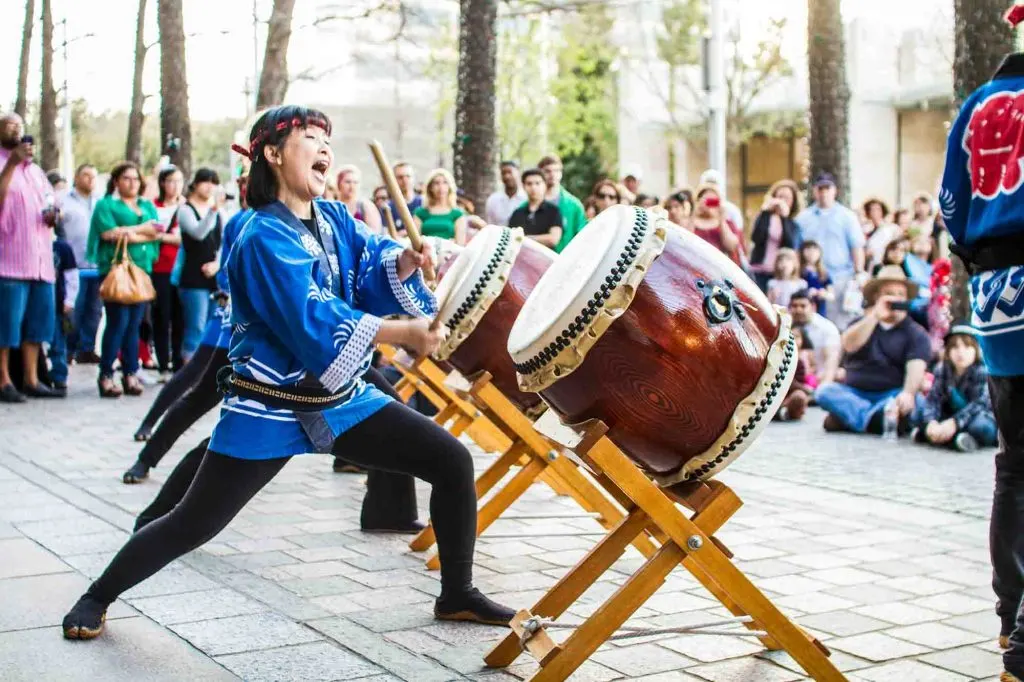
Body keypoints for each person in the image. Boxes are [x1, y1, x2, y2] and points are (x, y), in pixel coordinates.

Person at [61, 105, 514, 642]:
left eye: (328, 139)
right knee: (194, 523)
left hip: (340, 397)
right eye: (310, 137)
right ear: (272, 154)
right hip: (269, 404)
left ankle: (457, 593)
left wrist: (408, 263)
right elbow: (312, 317)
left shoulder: (335, 218)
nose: (325, 147)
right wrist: (403, 332)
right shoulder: (259, 236)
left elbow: (371, 260)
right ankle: (97, 595)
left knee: (451, 460)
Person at [937, 7, 1024, 673]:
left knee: (1013, 464)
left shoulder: (979, 103)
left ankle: (1008, 621)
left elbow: (950, 204)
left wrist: (980, 260)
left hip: (998, 295)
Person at [814, 266, 931, 435]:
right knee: (825, 392)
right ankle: (874, 420)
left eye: (900, 294)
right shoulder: (861, 323)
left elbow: (916, 368)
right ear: (877, 296)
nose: (895, 298)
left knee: (917, 402)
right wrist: (875, 315)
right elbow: (848, 345)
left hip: (890, 395)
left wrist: (907, 393)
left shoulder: (916, 333)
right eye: (889, 293)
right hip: (855, 393)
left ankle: (852, 419)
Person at [0, 112, 62, 402]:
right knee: (6, 327)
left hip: (41, 263)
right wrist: (11, 164)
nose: (16, 130)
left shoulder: (36, 172)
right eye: (10, 125)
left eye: (20, 126)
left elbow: (51, 200)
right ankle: (3, 381)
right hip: (9, 261)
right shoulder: (5, 164)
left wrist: (54, 214)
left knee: (38, 325)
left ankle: (31, 378)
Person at [87, 161, 160, 398]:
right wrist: (141, 230)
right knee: (117, 322)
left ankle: (131, 372)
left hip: (141, 270)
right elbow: (108, 234)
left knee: (134, 325)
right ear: (116, 181)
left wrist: (127, 231)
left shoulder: (146, 205)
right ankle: (106, 374)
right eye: (126, 178)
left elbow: (156, 231)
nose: (132, 183)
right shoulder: (105, 205)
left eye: (136, 178)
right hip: (116, 270)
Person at [795, 172, 867, 329]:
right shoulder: (802, 218)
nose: (823, 192)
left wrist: (859, 272)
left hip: (840, 279)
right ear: (814, 191)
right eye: (820, 188)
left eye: (827, 188)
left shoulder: (847, 216)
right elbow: (797, 250)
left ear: (835, 190)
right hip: (811, 280)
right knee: (812, 326)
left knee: (841, 325)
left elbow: (857, 247)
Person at [914, 323, 997, 452]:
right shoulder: (942, 369)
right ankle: (943, 436)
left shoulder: (982, 370)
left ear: (976, 349)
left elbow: (979, 404)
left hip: (975, 417)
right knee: (918, 413)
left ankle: (955, 438)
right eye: (955, 347)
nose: (960, 352)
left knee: (982, 427)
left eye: (967, 346)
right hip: (949, 416)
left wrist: (955, 423)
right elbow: (933, 399)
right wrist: (931, 422)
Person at [175, 168, 224, 362]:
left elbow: (223, 242)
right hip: (192, 278)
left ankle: (203, 372)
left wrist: (218, 264)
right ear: (195, 183)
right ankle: (188, 373)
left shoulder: (220, 213)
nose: (209, 186)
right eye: (205, 181)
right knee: (195, 326)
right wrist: (213, 211)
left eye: (213, 182)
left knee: (211, 328)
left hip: (214, 278)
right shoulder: (185, 210)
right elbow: (198, 233)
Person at [61, 164, 101, 365]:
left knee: (94, 311)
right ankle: (68, 348)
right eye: (86, 175)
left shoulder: (100, 203)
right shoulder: (64, 201)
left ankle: (88, 349)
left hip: (96, 266)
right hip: (73, 266)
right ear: (76, 177)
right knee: (73, 311)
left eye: (93, 176)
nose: (90, 180)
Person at [151, 166, 185, 381]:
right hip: (159, 268)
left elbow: (185, 238)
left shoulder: (186, 207)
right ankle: (163, 363)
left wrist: (161, 236)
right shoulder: (152, 206)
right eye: (170, 181)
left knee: (180, 317)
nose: (175, 186)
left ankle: (179, 365)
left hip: (181, 268)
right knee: (161, 316)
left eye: (178, 181)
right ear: (163, 183)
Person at [749, 179, 802, 292]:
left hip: (779, 274)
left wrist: (784, 218)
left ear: (793, 202)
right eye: (779, 196)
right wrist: (765, 211)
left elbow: (790, 245)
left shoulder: (793, 224)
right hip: (758, 271)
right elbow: (756, 238)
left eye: (787, 198)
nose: (782, 201)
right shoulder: (764, 217)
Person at [788, 290, 842, 387]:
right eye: (794, 306)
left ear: (813, 307)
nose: (798, 310)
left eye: (803, 306)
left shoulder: (827, 328)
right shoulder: (785, 326)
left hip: (819, 380)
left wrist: (823, 387)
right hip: (790, 381)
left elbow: (831, 360)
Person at [48, 222, 78, 395]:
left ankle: (59, 376)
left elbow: (72, 277)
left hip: (58, 303)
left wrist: (69, 301)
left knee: (58, 342)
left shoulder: (62, 247)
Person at [538, 154, 586, 252]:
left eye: (556, 170)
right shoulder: (528, 205)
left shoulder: (574, 205)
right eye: (547, 171)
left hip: (565, 260)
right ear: (540, 173)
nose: (552, 174)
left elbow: (582, 237)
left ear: (561, 173)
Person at [507, 168, 563, 249]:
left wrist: (524, 238)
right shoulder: (517, 213)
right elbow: (511, 239)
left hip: (546, 260)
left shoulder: (554, 211)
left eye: (537, 183)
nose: (533, 187)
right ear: (523, 186)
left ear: (545, 185)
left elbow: (553, 239)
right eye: (529, 184)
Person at [691, 184, 745, 267]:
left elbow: (731, 246)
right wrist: (695, 212)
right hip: (696, 265)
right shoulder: (691, 221)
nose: (708, 205)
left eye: (713, 202)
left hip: (720, 268)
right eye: (706, 201)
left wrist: (721, 219)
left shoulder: (727, 223)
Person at [412, 168, 467, 244]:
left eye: (445, 183)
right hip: (426, 253)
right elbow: (415, 242)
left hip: (449, 253)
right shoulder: (420, 213)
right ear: (430, 188)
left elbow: (460, 244)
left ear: (449, 187)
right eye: (436, 183)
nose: (441, 187)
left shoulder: (457, 214)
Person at [774, 324, 811, 421]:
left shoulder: (799, 363)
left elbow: (796, 385)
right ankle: (779, 412)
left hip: (788, 398)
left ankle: (784, 412)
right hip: (774, 397)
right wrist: (809, 391)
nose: (793, 340)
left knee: (799, 396)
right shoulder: (776, 358)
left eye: (797, 336)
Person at [336, 165, 382, 234]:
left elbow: (375, 234)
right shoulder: (333, 206)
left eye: (355, 182)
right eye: (348, 182)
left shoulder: (365, 206)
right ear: (339, 184)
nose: (352, 186)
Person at [862, 197, 900, 269]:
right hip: (872, 265)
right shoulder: (865, 230)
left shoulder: (892, 228)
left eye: (878, 209)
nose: (875, 212)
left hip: (887, 264)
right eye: (872, 209)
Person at [485, 161, 526, 226]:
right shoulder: (493, 199)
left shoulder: (526, 198)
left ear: (518, 173)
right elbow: (491, 225)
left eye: (510, 172)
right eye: (503, 173)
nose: (507, 176)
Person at [800, 240, 834, 317]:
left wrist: (824, 294)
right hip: (803, 309)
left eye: (815, 249)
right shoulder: (799, 271)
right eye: (808, 249)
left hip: (820, 310)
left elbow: (831, 295)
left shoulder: (823, 273)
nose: (811, 252)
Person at [384, 162, 422, 232]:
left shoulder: (423, 203)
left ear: (413, 178)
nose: (405, 180)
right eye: (400, 177)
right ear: (393, 180)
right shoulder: (388, 207)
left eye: (408, 176)